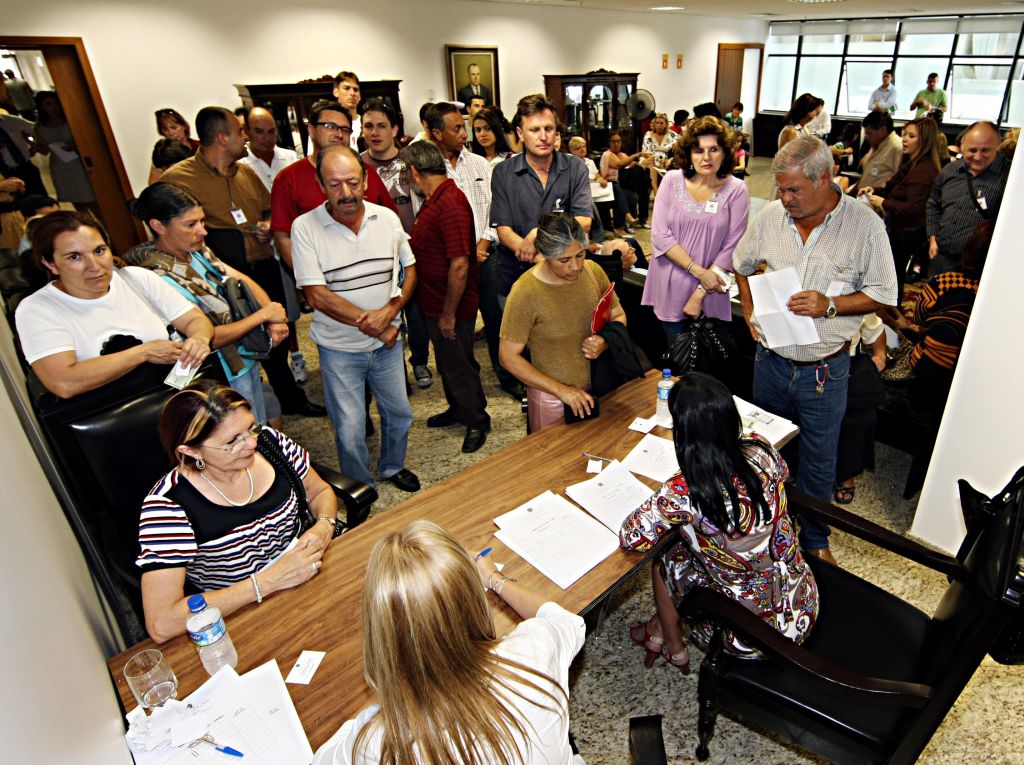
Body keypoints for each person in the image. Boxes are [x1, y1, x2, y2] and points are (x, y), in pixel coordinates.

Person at [733, 135, 898, 563]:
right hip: (770, 361)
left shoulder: (865, 226)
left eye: (793, 190)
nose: (783, 198)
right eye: (780, 189)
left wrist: (831, 305)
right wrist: (749, 308)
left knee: (820, 458)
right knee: (765, 448)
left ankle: (815, 539)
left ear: (825, 178)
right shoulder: (770, 217)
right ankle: (768, 525)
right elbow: (742, 264)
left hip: (825, 370)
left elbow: (884, 294)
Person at [312, 519, 585, 765]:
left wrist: (391, 691)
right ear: (473, 599)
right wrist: (493, 579)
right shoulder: (536, 648)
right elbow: (569, 621)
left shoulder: (381, 740)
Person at [620, 372, 818, 670]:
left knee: (665, 559)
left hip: (747, 635)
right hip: (802, 602)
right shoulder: (761, 447)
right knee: (694, 548)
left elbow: (631, 536)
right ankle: (659, 630)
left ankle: (674, 646)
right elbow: (784, 474)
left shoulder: (683, 491)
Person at [136, 380, 345, 642]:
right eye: (233, 441)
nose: (251, 444)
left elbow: (319, 492)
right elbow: (162, 622)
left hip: (310, 575)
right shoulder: (169, 506)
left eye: (250, 428)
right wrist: (268, 581)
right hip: (244, 611)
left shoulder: (272, 443)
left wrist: (324, 526)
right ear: (190, 450)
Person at [161, 106, 325, 419]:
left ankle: (288, 398)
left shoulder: (246, 172)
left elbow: (267, 210)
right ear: (222, 137)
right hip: (215, 278)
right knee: (233, 348)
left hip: (260, 267)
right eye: (240, 131)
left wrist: (266, 226)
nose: (245, 137)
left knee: (275, 336)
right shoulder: (180, 179)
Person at [290, 145, 420, 493]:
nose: (345, 193)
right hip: (339, 348)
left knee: (400, 413)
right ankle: (359, 485)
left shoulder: (387, 218)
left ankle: (392, 466)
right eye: (335, 185)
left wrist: (390, 316)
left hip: (388, 343)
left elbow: (409, 272)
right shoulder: (305, 228)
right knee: (348, 426)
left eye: (352, 182)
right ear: (320, 184)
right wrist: (374, 323)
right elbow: (316, 295)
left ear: (365, 181)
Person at [126, 183, 291, 422]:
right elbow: (208, 335)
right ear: (158, 226)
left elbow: (238, 277)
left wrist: (273, 316)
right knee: (243, 434)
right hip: (218, 373)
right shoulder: (157, 277)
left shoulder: (197, 251)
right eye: (191, 225)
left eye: (202, 221)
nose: (203, 231)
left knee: (262, 424)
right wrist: (262, 316)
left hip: (243, 357)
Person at [14, 211, 213, 398]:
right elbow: (64, 383)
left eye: (99, 251)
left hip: (175, 399)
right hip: (113, 421)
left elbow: (194, 319)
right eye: (75, 257)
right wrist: (143, 352)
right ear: (51, 264)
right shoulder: (37, 309)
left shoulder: (137, 279)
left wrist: (199, 340)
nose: (94, 266)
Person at [499, 213, 625, 432]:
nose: (575, 266)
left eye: (580, 255)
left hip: (600, 386)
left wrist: (604, 341)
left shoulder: (593, 272)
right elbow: (508, 357)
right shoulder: (525, 292)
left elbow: (619, 316)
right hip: (552, 399)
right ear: (545, 255)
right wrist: (562, 391)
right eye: (564, 260)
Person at [402, 142, 490, 453]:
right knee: (449, 363)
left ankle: (477, 420)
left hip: (450, 305)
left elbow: (460, 264)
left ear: (415, 171)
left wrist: (449, 313)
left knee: (460, 365)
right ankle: (458, 409)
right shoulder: (434, 199)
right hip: (434, 301)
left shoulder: (449, 203)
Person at [642, 116, 749, 347]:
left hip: (709, 290)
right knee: (677, 356)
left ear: (726, 153)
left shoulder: (737, 190)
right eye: (698, 150)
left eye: (714, 149)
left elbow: (732, 246)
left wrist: (700, 292)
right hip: (670, 283)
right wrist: (699, 272)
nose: (706, 158)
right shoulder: (671, 180)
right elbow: (660, 235)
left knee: (706, 362)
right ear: (689, 154)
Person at [491, 93, 592, 301]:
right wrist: (536, 256)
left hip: (566, 275)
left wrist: (538, 233)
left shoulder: (575, 167)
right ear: (520, 133)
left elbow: (584, 221)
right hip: (515, 277)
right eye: (534, 130)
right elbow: (503, 229)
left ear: (557, 132)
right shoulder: (503, 172)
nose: (543, 137)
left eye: (548, 128)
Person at [360, 98, 431, 390]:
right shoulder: (355, 165)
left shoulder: (410, 161)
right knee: (384, 311)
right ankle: (394, 370)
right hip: (372, 252)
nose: (374, 132)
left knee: (416, 311)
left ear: (394, 129)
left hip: (411, 248)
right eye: (368, 126)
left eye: (381, 126)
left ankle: (420, 361)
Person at [888, 220, 992, 419]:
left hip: (929, 365)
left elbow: (919, 318)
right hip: (973, 375)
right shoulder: (996, 296)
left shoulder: (945, 281)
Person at [858, 117, 943, 292]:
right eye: (904, 134)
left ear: (924, 140)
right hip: (898, 228)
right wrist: (873, 190)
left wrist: (883, 202)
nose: (904, 139)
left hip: (907, 232)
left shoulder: (924, 170)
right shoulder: (911, 162)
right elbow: (891, 187)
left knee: (892, 275)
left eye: (911, 136)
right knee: (889, 274)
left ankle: (891, 312)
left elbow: (913, 208)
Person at [926, 121, 1009, 276]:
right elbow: (933, 203)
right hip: (941, 259)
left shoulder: (1009, 177)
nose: (977, 156)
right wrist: (933, 237)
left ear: (998, 145)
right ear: (962, 145)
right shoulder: (950, 170)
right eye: (972, 150)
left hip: (978, 267)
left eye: (985, 151)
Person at [832, 314, 887, 504]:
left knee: (859, 415)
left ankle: (846, 472)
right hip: (807, 362)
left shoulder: (854, 296)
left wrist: (880, 355)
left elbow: (876, 330)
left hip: (847, 362)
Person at [32, 91, 97, 214]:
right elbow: (45, 151)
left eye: (56, 103)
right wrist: (30, 143)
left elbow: (87, 140)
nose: (53, 108)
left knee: (91, 198)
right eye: (48, 104)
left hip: (79, 162)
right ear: (41, 106)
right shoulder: (40, 127)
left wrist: (75, 146)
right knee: (77, 202)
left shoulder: (70, 121)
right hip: (60, 165)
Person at [238, 106, 300, 191]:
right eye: (259, 132)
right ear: (246, 130)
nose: (267, 138)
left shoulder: (291, 158)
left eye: (271, 131)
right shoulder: (238, 164)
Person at [600, 132, 652, 228]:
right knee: (631, 194)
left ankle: (643, 219)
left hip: (624, 183)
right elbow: (619, 164)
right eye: (613, 141)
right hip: (610, 185)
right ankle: (628, 222)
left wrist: (643, 163)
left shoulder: (622, 154)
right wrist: (636, 155)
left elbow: (632, 164)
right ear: (609, 143)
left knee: (645, 190)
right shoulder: (607, 154)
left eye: (618, 141)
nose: (616, 144)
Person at [852, 110, 902, 194]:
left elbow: (900, 183)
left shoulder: (897, 148)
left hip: (877, 202)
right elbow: (866, 175)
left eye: (869, 133)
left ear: (883, 130)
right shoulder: (876, 144)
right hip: (862, 199)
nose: (866, 138)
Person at [641, 112, 678, 192]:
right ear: (654, 124)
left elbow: (680, 147)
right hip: (651, 161)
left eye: (661, 123)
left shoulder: (672, 135)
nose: (659, 125)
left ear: (666, 124)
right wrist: (651, 158)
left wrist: (671, 159)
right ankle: (655, 189)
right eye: (657, 123)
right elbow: (645, 152)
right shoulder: (648, 135)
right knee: (650, 161)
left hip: (666, 162)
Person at [333, 71, 362, 149]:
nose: (352, 93)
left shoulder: (367, 124)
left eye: (355, 89)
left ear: (360, 96)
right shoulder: (327, 125)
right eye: (347, 88)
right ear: (336, 92)